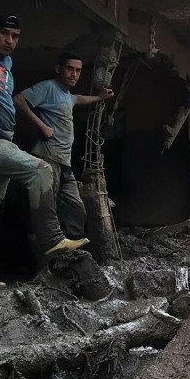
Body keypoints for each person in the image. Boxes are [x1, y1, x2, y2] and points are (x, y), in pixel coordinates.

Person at [0, 15, 87, 288]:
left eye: (15, 36)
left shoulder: (7, 64)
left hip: (3, 142)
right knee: (40, 170)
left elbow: (76, 99)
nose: (9, 41)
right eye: (4, 34)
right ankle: (52, 239)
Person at [15, 51, 114, 243]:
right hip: (47, 158)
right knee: (45, 210)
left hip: (64, 163)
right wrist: (42, 125)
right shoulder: (48, 87)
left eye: (78, 70)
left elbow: (77, 99)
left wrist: (100, 97)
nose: (74, 74)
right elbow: (19, 99)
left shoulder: (67, 95)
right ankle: (42, 260)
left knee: (75, 208)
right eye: (70, 69)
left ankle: (70, 252)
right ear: (59, 69)